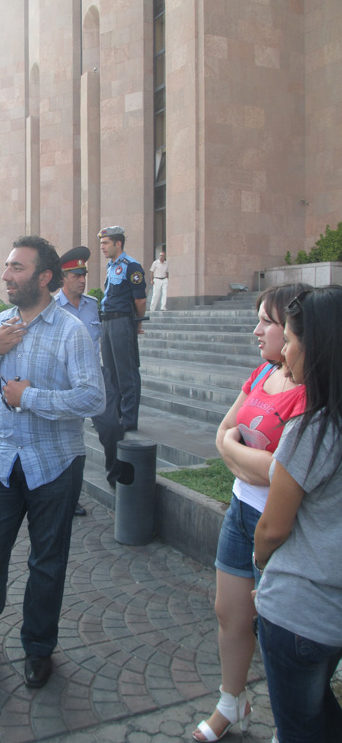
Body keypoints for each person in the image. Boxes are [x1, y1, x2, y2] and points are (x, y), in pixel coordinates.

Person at [0, 236, 105, 689]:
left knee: (47, 564)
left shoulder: (71, 331)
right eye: (7, 266)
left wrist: (29, 397)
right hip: (1, 461)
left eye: (17, 268)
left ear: (44, 277)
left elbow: (94, 397)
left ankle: (38, 648)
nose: (6, 275)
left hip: (55, 464)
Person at [193, 283, 309, 743]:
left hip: (279, 528)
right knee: (229, 613)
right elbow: (223, 434)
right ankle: (231, 701)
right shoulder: (262, 372)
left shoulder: (309, 392)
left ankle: (288, 724)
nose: (256, 330)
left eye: (267, 322)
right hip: (240, 510)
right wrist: (245, 459)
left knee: (277, 634)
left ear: (294, 328)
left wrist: (235, 452)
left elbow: (283, 475)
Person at [254, 285, 342, 743]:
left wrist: (260, 562)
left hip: (299, 616)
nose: (284, 352)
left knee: (300, 729)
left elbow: (272, 528)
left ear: (318, 346)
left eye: (288, 340)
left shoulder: (313, 430)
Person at [55, 246, 124, 490]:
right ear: (63, 278)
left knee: (113, 427)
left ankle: (116, 477)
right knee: (65, 436)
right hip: (64, 379)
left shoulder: (92, 305)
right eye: (76, 276)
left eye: (83, 275)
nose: (82, 280)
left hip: (95, 376)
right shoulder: (52, 307)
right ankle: (65, 491)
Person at [98, 225, 146, 431]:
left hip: (121, 322)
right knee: (110, 374)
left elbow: (140, 300)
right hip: (107, 322)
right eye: (101, 243)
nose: (102, 247)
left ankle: (128, 419)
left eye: (105, 243)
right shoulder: (111, 266)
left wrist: (137, 322)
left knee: (126, 372)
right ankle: (114, 416)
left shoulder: (131, 266)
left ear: (118, 243)